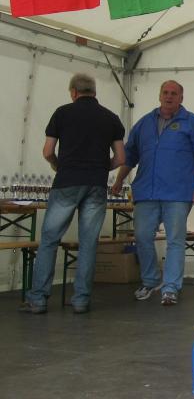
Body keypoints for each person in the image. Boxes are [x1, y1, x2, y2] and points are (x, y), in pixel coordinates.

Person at [19, 73, 125, 314]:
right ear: (94, 92)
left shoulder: (62, 113)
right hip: (96, 185)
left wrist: (58, 165)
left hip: (66, 182)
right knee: (88, 243)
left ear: (74, 92)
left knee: (49, 240)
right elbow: (121, 158)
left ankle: (38, 299)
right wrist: (101, 168)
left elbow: (48, 151)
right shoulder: (111, 118)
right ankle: (81, 300)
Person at [111, 80, 194, 306]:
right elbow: (130, 154)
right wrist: (119, 179)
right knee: (142, 236)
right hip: (146, 192)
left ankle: (171, 287)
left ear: (181, 98)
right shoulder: (144, 123)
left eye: (174, 93)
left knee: (175, 240)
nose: (169, 96)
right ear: (159, 95)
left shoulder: (192, 123)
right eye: (165, 92)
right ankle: (150, 281)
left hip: (178, 193)